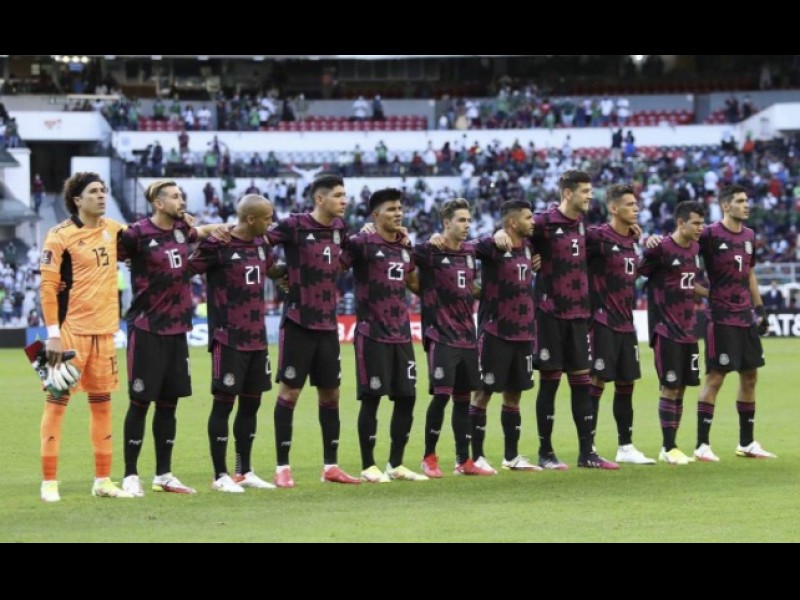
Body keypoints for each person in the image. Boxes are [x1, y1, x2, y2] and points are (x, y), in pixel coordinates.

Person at [498, 170, 618, 470]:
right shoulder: (542, 222)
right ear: (567, 193)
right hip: (550, 314)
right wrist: (507, 239)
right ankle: (546, 452)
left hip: (579, 315)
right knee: (550, 384)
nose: (590, 195)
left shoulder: (583, 224)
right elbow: (514, 234)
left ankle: (587, 453)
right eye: (585, 191)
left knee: (581, 384)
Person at [118, 180, 229, 497]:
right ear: (158, 203)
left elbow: (201, 232)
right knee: (140, 403)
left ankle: (164, 475)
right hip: (147, 328)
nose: (182, 200)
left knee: (169, 404)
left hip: (178, 329)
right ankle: (130, 475)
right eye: (176, 196)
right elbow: (111, 251)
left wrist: (224, 228)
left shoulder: (183, 230)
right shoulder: (136, 234)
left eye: (182, 195)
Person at [38, 172, 133, 502]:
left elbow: (150, 239)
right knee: (56, 404)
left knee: (103, 406)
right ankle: (49, 482)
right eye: (94, 191)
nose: (102, 195)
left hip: (105, 333)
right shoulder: (59, 235)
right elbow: (48, 287)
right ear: (78, 200)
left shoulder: (114, 230)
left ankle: (103, 481)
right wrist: (52, 335)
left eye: (104, 190)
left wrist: (195, 226)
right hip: (69, 334)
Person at [266, 174, 360, 487]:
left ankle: (330, 466)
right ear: (320, 199)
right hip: (298, 321)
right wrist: (278, 271)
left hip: (328, 324)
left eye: (345, 195)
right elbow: (257, 242)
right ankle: (282, 467)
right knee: (290, 392)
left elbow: (346, 257)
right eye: (338, 195)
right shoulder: (293, 225)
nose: (344, 200)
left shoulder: (340, 228)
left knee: (331, 393)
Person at [190, 195, 283, 492]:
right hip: (228, 338)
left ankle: (244, 471)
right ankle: (220, 475)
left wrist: (298, 272)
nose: (271, 222)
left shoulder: (262, 244)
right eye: (267, 217)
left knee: (251, 405)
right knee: (223, 405)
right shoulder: (219, 244)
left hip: (257, 338)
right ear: (251, 219)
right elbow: (185, 270)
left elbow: (272, 270)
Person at [339, 188, 428, 482]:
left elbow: (414, 283)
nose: (398, 213)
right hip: (372, 334)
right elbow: (335, 266)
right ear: (375, 215)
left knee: (407, 397)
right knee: (372, 398)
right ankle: (368, 466)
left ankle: (396, 464)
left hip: (402, 334)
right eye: (391, 209)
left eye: (399, 208)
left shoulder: (404, 246)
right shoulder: (362, 243)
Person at [693, 185, 776, 461]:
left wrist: (760, 309)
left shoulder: (750, 235)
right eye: (740, 201)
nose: (746, 205)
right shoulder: (709, 234)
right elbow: (682, 266)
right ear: (725, 206)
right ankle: (702, 445)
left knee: (750, 376)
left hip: (745, 316)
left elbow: (750, 274)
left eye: (747, 200)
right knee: (716, 378)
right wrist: (708, 294)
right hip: (721, 318)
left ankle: (747, 443)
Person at [416, 198, 493, 478]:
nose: (467, 225)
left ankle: (464, 460)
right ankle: (429, 457)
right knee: (441, 396)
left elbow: (496, 246)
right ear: (446, 223)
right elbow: (399, 255)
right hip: (441, 335)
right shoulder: (429, 251)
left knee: (463, 399)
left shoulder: (471, 252)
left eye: (469, 220)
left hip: (467, 337)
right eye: (461, 220)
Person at [586, 184, 655, 465]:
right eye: (629, 204)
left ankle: (625, 447)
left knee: (627, 382)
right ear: (614, 208)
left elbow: (632, 272)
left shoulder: (631, 240)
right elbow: (566, 251)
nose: (635, 208)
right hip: (601, 320)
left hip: (626, 321)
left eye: (636, 204)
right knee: (596, 380)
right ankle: (587, 445)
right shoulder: (597, 237)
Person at [470, 200, 540, 472]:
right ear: (512, 222)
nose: (533, 222)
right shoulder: (493, 246)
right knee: (483, 393)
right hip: (495, 332)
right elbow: (462, 249)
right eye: (528, 217)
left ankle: (511, 456)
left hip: (524, 333)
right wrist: (493, 235)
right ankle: (476, 457)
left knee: (514, 396)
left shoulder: (529, 247)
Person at [638, 201, 706, 465]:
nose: (700, 228)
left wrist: (712, 294)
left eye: (702, 223)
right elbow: (637, 271)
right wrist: (647, 242)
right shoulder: (661, 248)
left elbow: (688, 283)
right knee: (669, 386)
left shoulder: (695, 248)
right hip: (666, 328)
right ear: (681, 223)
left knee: (682, 388)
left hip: (689, 329)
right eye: (696, 223)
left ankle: (671, 446)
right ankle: (668, 446)